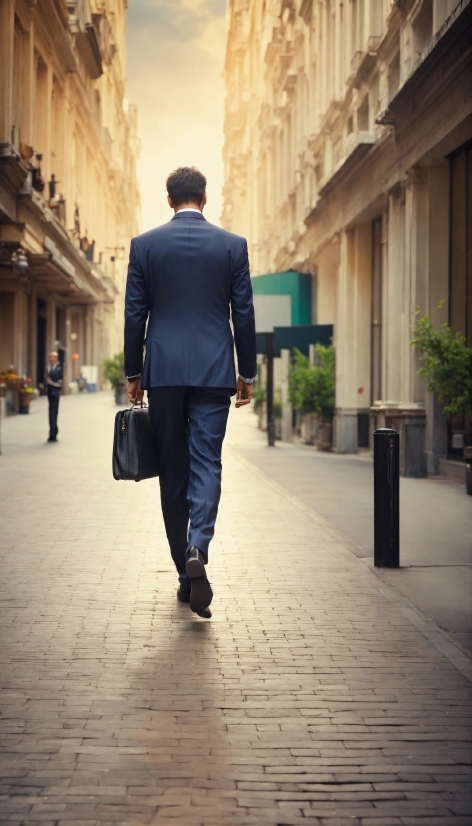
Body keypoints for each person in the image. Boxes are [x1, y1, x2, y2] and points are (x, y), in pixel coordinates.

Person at [124, 166, 257, 618]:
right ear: (205, 198)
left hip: (162, 372)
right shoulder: (232, 246)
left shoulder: (144, 246)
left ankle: (185, 574)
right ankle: (199, 543)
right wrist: (248, 373)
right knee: (207, 462)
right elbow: (244, 314)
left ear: (168, 200)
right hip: (214, 371)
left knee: (173, 471)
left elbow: (133, 315)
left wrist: (133, 372)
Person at [45, 351, 63, 442]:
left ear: (57, 359)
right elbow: (45, 379)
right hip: (49, 392)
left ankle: (53, 432)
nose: (52, 359)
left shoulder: (59, 368)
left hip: (56, 392)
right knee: (51, 411)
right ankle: (53, 431)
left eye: (54, 357)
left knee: (54, 411)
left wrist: (52, 382)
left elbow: (59, 379)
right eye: (51, 357)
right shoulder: (47, 368)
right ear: (49, 358)